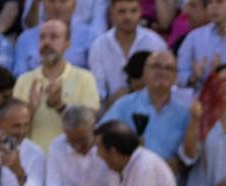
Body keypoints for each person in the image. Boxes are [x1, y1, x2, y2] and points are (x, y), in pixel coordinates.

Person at [14, 20, 101, 153]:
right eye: (42, 37)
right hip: (31, 161)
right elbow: (12, 131)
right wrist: (30, 109)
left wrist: (60, 107)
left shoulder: (85, 78)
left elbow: (88, 126)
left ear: (67, 43)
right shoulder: (24, 80)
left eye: (54, 37)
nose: (46, 43)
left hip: (70, 160)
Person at [101, 49, 192, 164]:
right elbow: (101, 138)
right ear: (144, 72)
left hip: (170, 178)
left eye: (168, 68)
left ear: (175, 77)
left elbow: (190, 158)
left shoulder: (185, 112)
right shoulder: (124, 105)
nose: (162, 72)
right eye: (156, 66)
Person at [89, 0, 168, 103]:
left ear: (140, 12)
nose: (128, 17)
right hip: (111, 109)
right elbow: (98, 91)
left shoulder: (155, 43)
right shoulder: (99, 46)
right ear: (111, 13)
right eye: (122, 11)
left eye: (133, 11)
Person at [15, 0, 96, 74]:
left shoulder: (89, 36)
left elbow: (95, 78)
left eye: (63, 1)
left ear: (74, 5)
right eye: (51, 1)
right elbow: (20, 77)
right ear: (43, 4)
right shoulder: (25, 39)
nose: (57, 6)